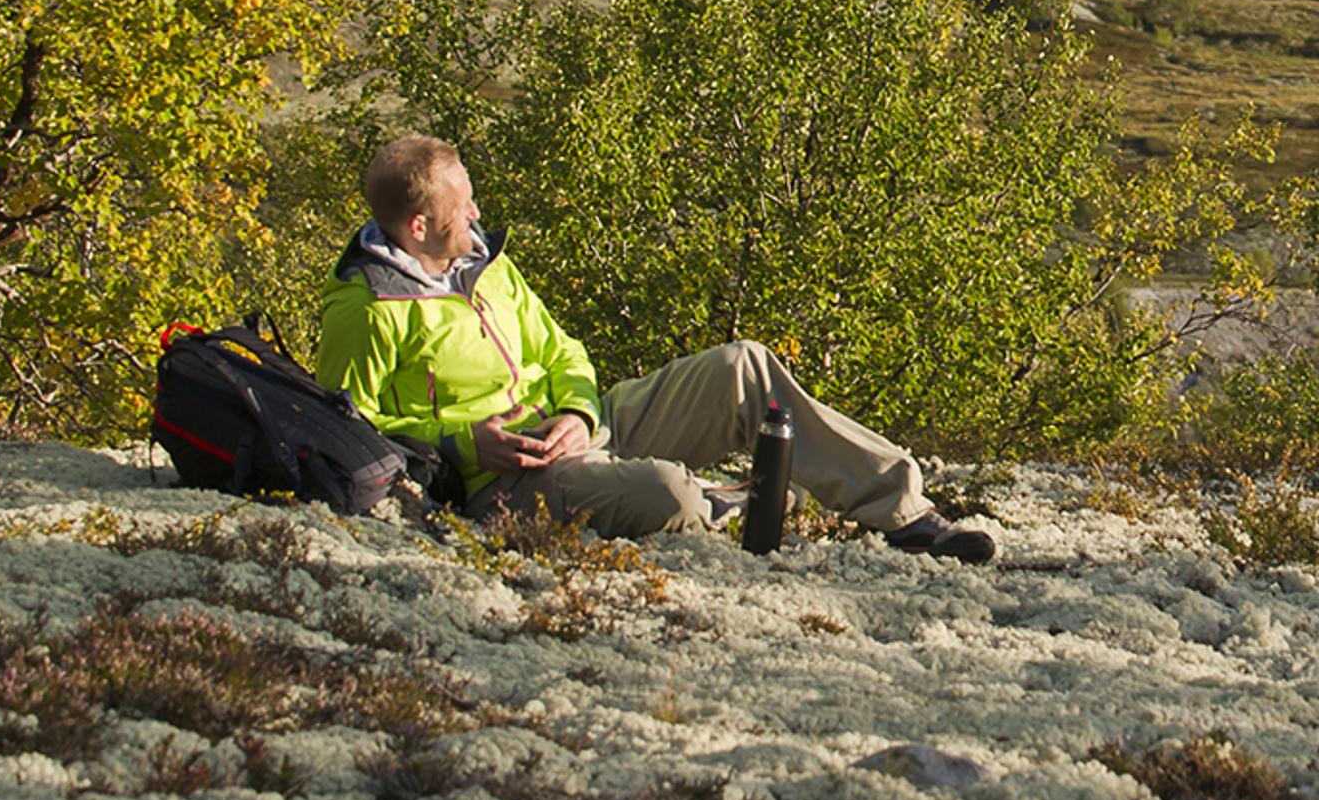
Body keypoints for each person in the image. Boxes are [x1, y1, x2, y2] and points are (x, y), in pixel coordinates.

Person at [313, 133, 996, 562]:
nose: (477, 213)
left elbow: (565, 354)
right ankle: (730, 499)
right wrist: (466, 444)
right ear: (418, 226)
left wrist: (577, 413)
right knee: (669, 494)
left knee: (743, 365)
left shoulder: (486, 265)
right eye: (463, 206)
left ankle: (903, 511)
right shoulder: (367, 308)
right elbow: (350, 431)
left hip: (580, 430)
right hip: (502, 484)